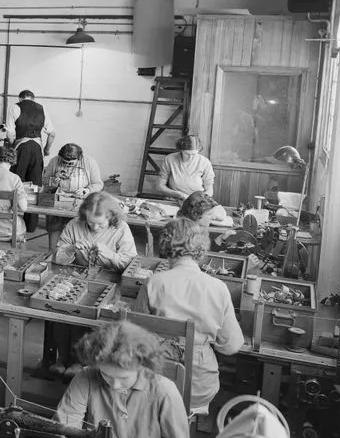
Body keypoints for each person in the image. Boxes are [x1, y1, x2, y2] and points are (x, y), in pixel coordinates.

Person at [46, 322, 190, 438]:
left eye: (123, 378)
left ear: (142, 366)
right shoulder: (85, 378)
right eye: (106, 375)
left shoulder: (165, 392)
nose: (114, 385)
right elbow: (63, 429)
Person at [132, 218, 244, 419]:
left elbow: (132, 333)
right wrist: (203, 343)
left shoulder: (154, 282)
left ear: (166, 245)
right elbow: (232, 346)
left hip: (156, 381)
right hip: (198, 389)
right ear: (201, 248)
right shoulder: (218, 287)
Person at [42, 192, 137, 374]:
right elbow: (58, 258)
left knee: (87, 317)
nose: (94, 227)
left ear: (111, 217)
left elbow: (130, 263)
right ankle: (62, 359)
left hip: (109, 283)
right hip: (76, 279)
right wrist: (70, 249)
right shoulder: (74, 225)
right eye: (90, 222)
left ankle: (81, 362)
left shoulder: (121, 228)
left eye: (100, 224)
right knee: (61, 314)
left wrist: (109, 254)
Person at [7, 90, 56, 234]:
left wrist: (11, 147)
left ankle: (10, 223)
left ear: (20, 98)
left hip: (21, 148)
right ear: (33, 99)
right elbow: (52, 133)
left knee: (15, 184)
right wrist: (46, 150)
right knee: (35, 186)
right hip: (37, 150)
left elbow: (10, 133)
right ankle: (31, 226)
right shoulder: (42, 108)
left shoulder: (15, 107)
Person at [43, 143, 104, 251]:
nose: (67, 165)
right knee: (54, 225)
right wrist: (53, 180)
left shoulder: (89, 162)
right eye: (64, 162)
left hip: (81, 203)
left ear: (79, 158)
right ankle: (52, 253)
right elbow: (44, 181)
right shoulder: (55, 161)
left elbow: (98, 184)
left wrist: (87, 190)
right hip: (59, 201)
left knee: (79, 229)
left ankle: (78, 254)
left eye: (70, 163)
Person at [157, 134, 215, 201]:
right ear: (181, 150)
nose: (190, 158)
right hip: (174, 199)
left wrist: (198, 200)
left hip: (197, 201)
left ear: (198, 151)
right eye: (187, 154)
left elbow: (209, 190)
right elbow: (160, 186)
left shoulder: (205, 162)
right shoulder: (170, 159)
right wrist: (180, 195)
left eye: (194, 154)